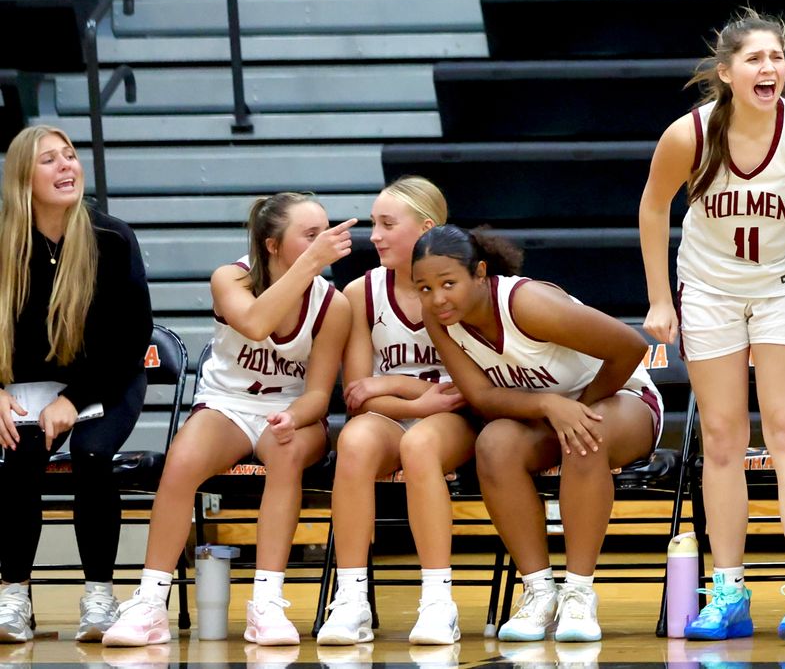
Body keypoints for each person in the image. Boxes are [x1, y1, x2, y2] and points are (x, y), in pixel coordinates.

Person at [636, 11, 785, 644]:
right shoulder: (689, 134)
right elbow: (653, 209)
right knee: (725, 439)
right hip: (708, 289)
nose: (769, 68)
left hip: (784, 287)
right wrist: (659, 299)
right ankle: (728, 589)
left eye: (777, 57)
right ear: (727, 73)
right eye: (755, 59)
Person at [105, 192, 353, 647]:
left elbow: (319, 393)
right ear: (273, 245)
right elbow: (257, 323)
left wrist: (292, 416)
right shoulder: (230, 278)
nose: (326, 243)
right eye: (311, 236)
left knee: (286, 452)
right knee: (180, 463)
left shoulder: (333, 305)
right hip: (227, 405)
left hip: (290, 413)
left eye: (327, 232)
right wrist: (309, 265)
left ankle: (267, 602)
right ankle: (150, 603)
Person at [415, 226, 659, 644]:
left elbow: (629, 347)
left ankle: (579, 594)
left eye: (448, 283)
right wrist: (549, 406)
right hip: (548, 414)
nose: (437, 298)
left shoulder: (527, 303)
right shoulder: (440, 320)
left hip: (621, 397)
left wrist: (577, 406)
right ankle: (539, 592)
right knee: (492, 444)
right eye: (424, 287)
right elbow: (481, 396)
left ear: (480, 273)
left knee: (582, 438)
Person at [0, 126, 151, 643]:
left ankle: (100, 597)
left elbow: (130, 338)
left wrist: (73, 398)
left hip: (109, 378)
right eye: (50, 160)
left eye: (71, 156)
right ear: (24, 176)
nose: (67, 166)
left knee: (91, 454)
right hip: (29, 382)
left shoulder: (110, 237)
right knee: (18, 455)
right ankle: (13, 596)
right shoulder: (2, 241)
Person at [317, 177, 473, 647]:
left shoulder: (458, 287)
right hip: (396, 414)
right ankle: (351, 600)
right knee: (355, 439)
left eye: (387, 224)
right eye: (373, 224)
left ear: (426, 227)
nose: (376, 235)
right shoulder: (361, 292)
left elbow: (468, 386)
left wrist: (397, 386)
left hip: (456, 419)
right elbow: (357, 395)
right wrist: (417, 397)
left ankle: (437, 602)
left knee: (419, 442)